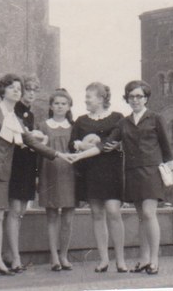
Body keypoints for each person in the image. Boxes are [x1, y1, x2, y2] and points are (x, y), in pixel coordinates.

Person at [0, 73, 68, 277]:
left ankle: (0, 261)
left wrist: (57, 154)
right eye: (12, 87)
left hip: (2, 171)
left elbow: (30, 141)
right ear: (2, 90)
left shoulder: (15, 118)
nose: (17, 90)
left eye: (19, 88)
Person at [74, 80, 173, 275]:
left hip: (152, 171)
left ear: (146, 98)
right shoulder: (123, 122)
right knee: (141, 216)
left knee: (148, 213)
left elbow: (166, 148)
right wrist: (78, 155)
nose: (135, 100)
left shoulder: (155, 118)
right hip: (132, 172)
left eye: (139, 96)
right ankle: (144, 259)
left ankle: (154, 260)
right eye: (131, 96)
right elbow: (104, 145)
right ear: (127, 99)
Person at [68, 82, 128, 273]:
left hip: (111, 170)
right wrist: (81, 144)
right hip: (91, 171)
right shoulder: (81, 120)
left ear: (101, 98)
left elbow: (118, 141)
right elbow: (72, 143)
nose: (85, 100)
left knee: (113, 211)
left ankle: (120, 260)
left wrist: (113, 145)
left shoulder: (117, 118)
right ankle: (103, 259)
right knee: (97, 213)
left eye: (89, 97)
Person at [36, 88, 76, 271]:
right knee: (52, 216)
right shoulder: (43, 126)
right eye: (57, 103)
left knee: (68, 218)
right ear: (51, 106)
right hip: (48, 173)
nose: (60, 107)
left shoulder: (74, 127)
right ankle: (54, 257)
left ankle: (64, 255)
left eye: (63, 103)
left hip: (69, 175)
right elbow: (37, 152)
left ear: (69, 107)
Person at [5, 75, 40, 272]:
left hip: (27, 165)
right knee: (15, 210)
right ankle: (14, 256)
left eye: (35, 91)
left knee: (21, 211)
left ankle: (11, 253)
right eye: (28, 90)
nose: (31, 94)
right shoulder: (13, 111)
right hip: (15, 165)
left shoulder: (30, 115)